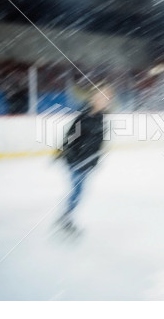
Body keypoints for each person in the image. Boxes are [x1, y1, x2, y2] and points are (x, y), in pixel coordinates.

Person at [55, 86, 113, 233]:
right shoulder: (85, 115)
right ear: (93, 98)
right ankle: (66, 218)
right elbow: (71, 135)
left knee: (78, 191)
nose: (103, 101)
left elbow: (99, 143)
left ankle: (66, 217)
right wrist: (66, 153)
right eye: (101, 97)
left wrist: (95, 160)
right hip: (76, 160)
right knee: (77, 191)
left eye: (106, 98)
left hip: (87, 161)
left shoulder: (101, 118)